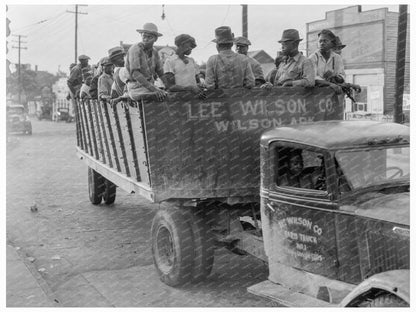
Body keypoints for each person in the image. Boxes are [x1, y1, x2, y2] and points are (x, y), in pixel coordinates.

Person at [125, 22, 168, 101]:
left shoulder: (155, 52)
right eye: (144, 36)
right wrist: (155, 90)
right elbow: (135, 74)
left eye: (149, 37)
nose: (146, 39)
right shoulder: (135, 49)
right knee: (160, 96)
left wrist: (169, 87)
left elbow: (160, 73)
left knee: (169, 94)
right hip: (136, 87)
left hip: (149, 86)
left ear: (155, 39)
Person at [162, 34, 205, 98]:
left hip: (194, 98)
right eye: (190, 45)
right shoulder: (170, 61)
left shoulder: (191, 61)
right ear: (182, 44)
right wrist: (189, 88)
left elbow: (197, 82)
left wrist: (199, 86)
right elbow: (170, 86)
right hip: (178, 99)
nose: (191, 48)